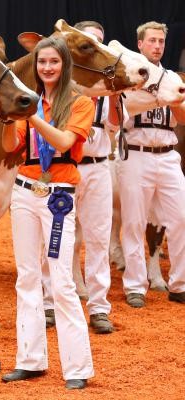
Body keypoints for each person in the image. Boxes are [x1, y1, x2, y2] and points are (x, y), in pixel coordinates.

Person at [0, 37, 95, 390]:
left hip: (59, 197)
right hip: (24, 192)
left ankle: (77, 368)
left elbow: (65, 143)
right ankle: (30, 360)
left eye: (54, 61)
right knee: (26, 277)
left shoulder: (81, 103)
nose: (47, 68)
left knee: (61, 280)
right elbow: (11, 147)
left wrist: (30, 116)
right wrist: (12, 118)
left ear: (64, 64)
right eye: (42, 63)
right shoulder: (31, 103)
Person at [43, 21, 122, 334]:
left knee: (99, 238)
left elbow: (115, 125)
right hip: (62, 167)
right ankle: (50, 303)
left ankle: (99, 307)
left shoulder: (108, 84)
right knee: (56, 236)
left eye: (98, 41)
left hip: (99, 165)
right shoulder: (59, 85)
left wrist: (115, 93)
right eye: (88, 41)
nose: (95, 46)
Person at [119, 21, 185, 308]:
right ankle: (135, 285)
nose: (157, 46)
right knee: (133, 222)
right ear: (140, 45)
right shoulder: (128, 78)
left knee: (181, 219)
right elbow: (117, 118)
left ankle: (179, 284)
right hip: (136, 151)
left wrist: (170, 99)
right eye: (152, 41)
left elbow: (182, 118)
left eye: (161, 41)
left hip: (169, 153)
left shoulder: (172, 78)